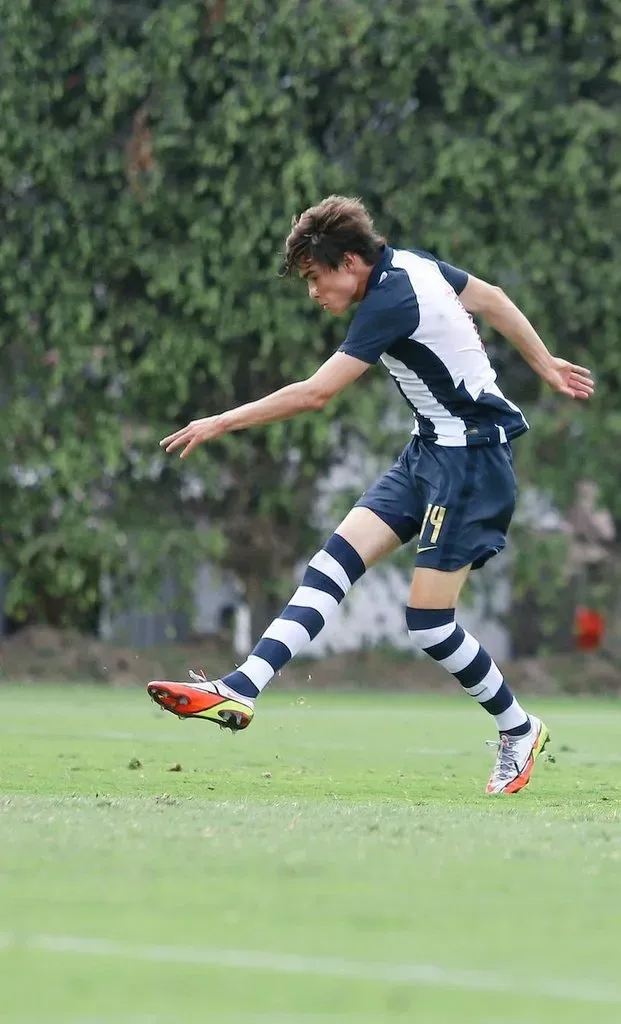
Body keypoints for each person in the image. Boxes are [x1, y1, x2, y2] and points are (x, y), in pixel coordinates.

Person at [147, 196, 594, 794]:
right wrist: (544, 364)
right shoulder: (412, 263)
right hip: (428, 451)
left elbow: (316, 394)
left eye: (316, 277)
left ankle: (519, 728)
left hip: (471, 463)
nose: (313, 292)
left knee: (429, 625)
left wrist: (221, 421)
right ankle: (242, 688)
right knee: (331, 564)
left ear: (351, 262)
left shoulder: (390, 299)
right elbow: (490, 297)